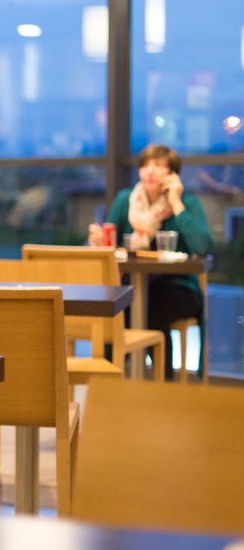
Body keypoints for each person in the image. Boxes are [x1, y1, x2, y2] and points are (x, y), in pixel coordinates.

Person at [88, 143, 214, 379]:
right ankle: (106, 384)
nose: (149, 171)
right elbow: (111, 242)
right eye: (145, 165)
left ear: (172, 174)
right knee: (114, 312)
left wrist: (176, 203)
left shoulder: (187, 202)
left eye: (158, 165)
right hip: (133, 286)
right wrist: (98, 239)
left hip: (179, 288)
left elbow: (203, 246)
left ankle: (161, 386)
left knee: (151, 307)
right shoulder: (127, 200)